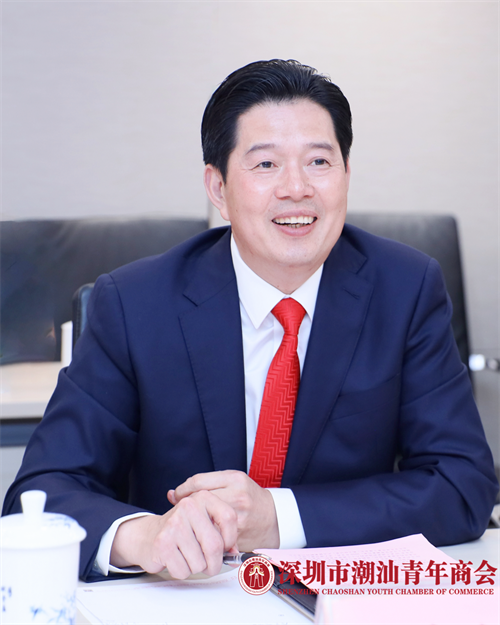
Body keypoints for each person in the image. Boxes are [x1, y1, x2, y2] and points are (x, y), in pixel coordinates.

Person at [3, 60, 498, 582]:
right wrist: (143, 536)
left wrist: (278, 518)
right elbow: (42, 492)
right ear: (218, 188)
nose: (296, 188)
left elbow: (462, 484)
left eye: (319, 162)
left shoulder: (406, 289)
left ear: (346, 175)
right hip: (180, 599)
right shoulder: (134, 304)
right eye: (265, 165)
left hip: (332, 601)